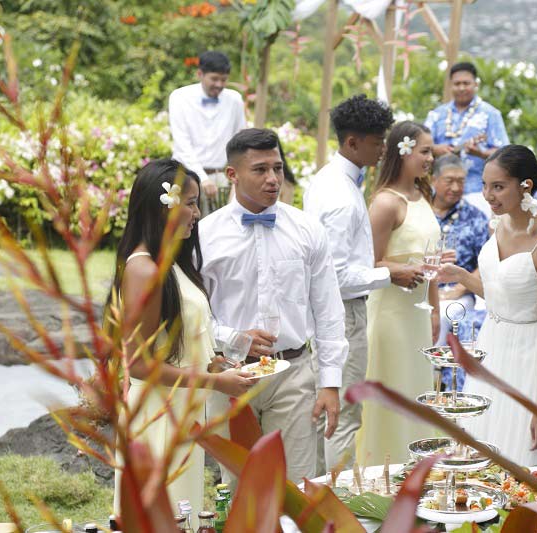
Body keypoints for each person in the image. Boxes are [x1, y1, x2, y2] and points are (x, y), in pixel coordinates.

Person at [199, 128, 348, 483]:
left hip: (293, 373)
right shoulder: (204, 235)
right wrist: (235, 338)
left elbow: (328, 310)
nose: (273, 179)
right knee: (238, 486)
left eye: (277, 168)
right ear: (232, 175)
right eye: (260, 169)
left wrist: (330, 382)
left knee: (295, 486)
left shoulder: (307, 229)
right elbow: (195, 316)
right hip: (231, 374)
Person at [110, 159, 254, 515]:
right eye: (190, 203)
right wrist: (214, 382)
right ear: (165, 207)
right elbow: (140, 364)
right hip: (155, 419)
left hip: (180, 412)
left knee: (180, 513)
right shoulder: (143, 269)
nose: (196, 213)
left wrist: (213, 363)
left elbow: (175, 342)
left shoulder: (171, 262)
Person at [439, 145, 537, 468]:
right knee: (482, 451)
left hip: (530, 357)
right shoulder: (497, 224)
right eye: (485, 185)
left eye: (498, 187)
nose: (488, 195)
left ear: (525, 185)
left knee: (521, 459)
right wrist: (459, 275)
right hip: (491, 348)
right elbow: (499, 293)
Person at [304, 94, 406, 473]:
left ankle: (316, 498)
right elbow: (335, 275)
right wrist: (389, 274)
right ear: (352, 142)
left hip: (336, 312)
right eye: (378, 141)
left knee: (327, 414)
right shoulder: (340, 196)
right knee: (343, 415)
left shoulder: (331, 180)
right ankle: (340, 507)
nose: (383, 149)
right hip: (343, 314)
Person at [358, 121, 441, 465]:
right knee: (392, 389)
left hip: (418, 315)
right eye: (424, 151)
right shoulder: (385, 204)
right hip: (391, 316)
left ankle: (417, 469)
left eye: (432, 151)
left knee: (416, 391)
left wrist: (435, 310)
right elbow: (367, 264)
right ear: (403, 151)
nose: (430, 158)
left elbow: (431, 258)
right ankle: (381, 468)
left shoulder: (424, 196)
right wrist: (397, 271)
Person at [430, 154, 489, 390]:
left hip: (459, 291)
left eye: (461, 181)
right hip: (421, 287)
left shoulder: (475, 217)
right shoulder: (420, 211)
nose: (456, 187)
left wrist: (460, 287)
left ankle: (440, 382)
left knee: (448, 313)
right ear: (434, 180)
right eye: (449, 180)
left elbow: (485, 261)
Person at [425, 61, 509, 216]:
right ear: (450, 85)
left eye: (466, 83)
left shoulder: (490, 114)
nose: (462, 88)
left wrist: (480, 153)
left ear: (475, 84)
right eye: (457, 84)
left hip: (477, 191)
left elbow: (505, 154)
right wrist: (437, 149)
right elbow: (421, 146)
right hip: (439, 192)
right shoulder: (437, 115)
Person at [169, 50, 246, 215]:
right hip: (185, 176)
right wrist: (202, 178)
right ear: (200, 74)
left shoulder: (234, 100)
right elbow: (182, 145)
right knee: (184, 231)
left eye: (223, 80)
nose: (219, 84)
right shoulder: (179, 97)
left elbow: (240, 141)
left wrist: (237, 178)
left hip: (221, 179)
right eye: (214, 79)